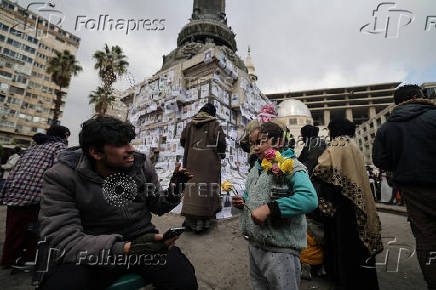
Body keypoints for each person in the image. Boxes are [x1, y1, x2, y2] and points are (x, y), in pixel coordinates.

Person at [38, 116, 197, 290]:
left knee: (183, 281)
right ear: (96, 153)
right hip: (93, 249)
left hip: (143, 240)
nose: (131, 149)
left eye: (129, 142)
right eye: (121, 144)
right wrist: (125, 249)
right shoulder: (61, 176)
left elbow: (157, 205)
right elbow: (64, 240)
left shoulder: (141, 165)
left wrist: (176, 190)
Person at [233, 122, 318, 290]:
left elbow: (309, 198)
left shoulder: (291, 166)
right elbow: (254, 195)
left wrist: (270, 208)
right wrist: (244, 201)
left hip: (281, 250)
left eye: (260, 142)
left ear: (278, 142)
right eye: (253, 143)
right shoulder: (256, 169)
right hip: (255, 245)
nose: (255, 148)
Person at [373, 84, 436, 289]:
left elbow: (380, 160)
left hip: (413, 191)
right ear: (419, 96)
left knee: (426, 239)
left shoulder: (387, 128)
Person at [313, 118, 383, 290]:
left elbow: (322, 168)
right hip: (356, 201)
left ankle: (347, 281)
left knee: (346, 246)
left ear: (335, 129)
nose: (328, 133)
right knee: (358, 245)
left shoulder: (338, 144)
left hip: (344, 203)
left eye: (329, 129)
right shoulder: (352, 145)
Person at [0, 126, 69, 268]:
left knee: (13, 229)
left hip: (14, 191)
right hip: (33, 195)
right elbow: (59, 172)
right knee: (32, 230)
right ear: (64, 136)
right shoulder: (59, 148)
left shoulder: (33, 148)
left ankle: (9, 258)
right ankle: (24, 259)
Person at [180, 104, 226, 232]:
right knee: (206, 191)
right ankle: (202, 224)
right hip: (209, 163)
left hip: (191, 161)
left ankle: (189, 221)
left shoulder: (190, 124)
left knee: (192, 189)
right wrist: (221, 153)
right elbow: (221, 142)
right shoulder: (215, 124)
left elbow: (183, 140)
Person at [239, 105, 288, 169]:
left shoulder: (252, 123)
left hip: (255, 156)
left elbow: (243, 141)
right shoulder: (281, 124)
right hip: (275, 156)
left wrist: (252, 148)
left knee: (256, 176)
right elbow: (285, 141)